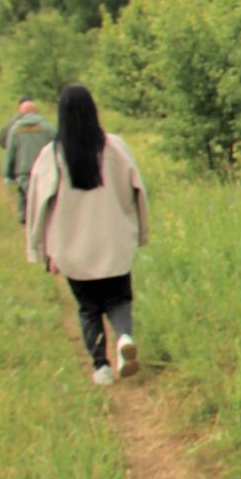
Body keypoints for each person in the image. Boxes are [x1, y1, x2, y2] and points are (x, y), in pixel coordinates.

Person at [26, 84, 150, 385]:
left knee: (88, 307)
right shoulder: (116, 148)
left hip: (72, 248)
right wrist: (140, 232)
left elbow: (38, 205)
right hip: (114, 242)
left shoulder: (52, 156)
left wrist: (41, 250)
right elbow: (139, 192)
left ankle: (101, 367)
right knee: (119, 299)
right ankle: (123, 339)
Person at [1, 98, 56, 223]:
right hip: (45, 171)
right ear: (36, 111)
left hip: (24, 173)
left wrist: (8, 174)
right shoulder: (48, 128)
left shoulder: (15, 130)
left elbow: (10, 153)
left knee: (25, 200)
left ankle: (25, 226)